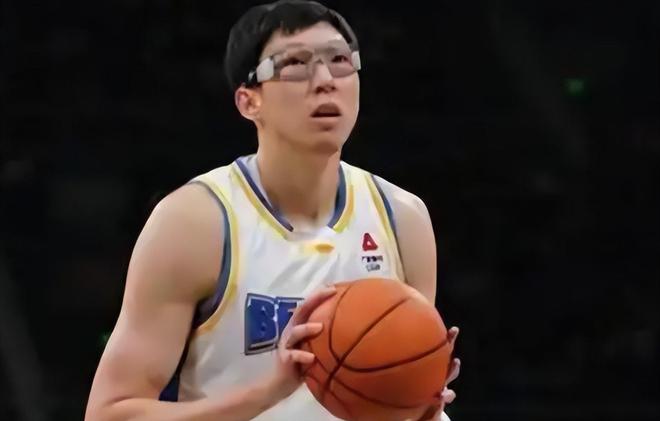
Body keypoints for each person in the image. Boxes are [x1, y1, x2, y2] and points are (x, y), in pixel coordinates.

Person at [84, 1, 460, 420]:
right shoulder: (195, 223)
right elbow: (109, 414)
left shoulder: (402, 217)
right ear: (249, 102)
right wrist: (268, 392)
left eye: (339, 60)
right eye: (295, 64)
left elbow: (395, 401)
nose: (325, 81)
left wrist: (419, 403)